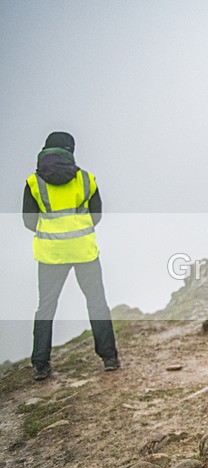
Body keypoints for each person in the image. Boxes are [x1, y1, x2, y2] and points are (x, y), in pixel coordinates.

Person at [22, 131, 120, 381]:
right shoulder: (86, 179)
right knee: (97, 302)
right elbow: (96, 215)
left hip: (50, 253)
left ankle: (41, 365)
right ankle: (109, 357)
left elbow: (28, 221)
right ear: (71, 151)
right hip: (83, 251)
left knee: (46, 307)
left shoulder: (34, 182)